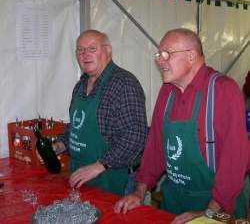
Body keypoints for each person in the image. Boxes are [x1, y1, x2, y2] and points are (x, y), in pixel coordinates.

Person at [114, 28, 250, 222]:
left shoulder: (222, 90)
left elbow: (235, 160)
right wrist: (139, 191)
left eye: (166, 53)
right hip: (173, 203)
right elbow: (155, 147)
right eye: (159, 54)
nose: (160, 60)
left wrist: (209, 212)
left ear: (191, 56)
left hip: (216, 206)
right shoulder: (167, 91)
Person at [53, 29, 148, 195]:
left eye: (92, 49)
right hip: (81, 176)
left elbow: (134, 136)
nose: (85, 55)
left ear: (108, 51)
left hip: (112, 177)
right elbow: (76, 127)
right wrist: (59, 145)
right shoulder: (80, 85)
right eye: (80, 50)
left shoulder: (124, 84)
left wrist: (99, 165)